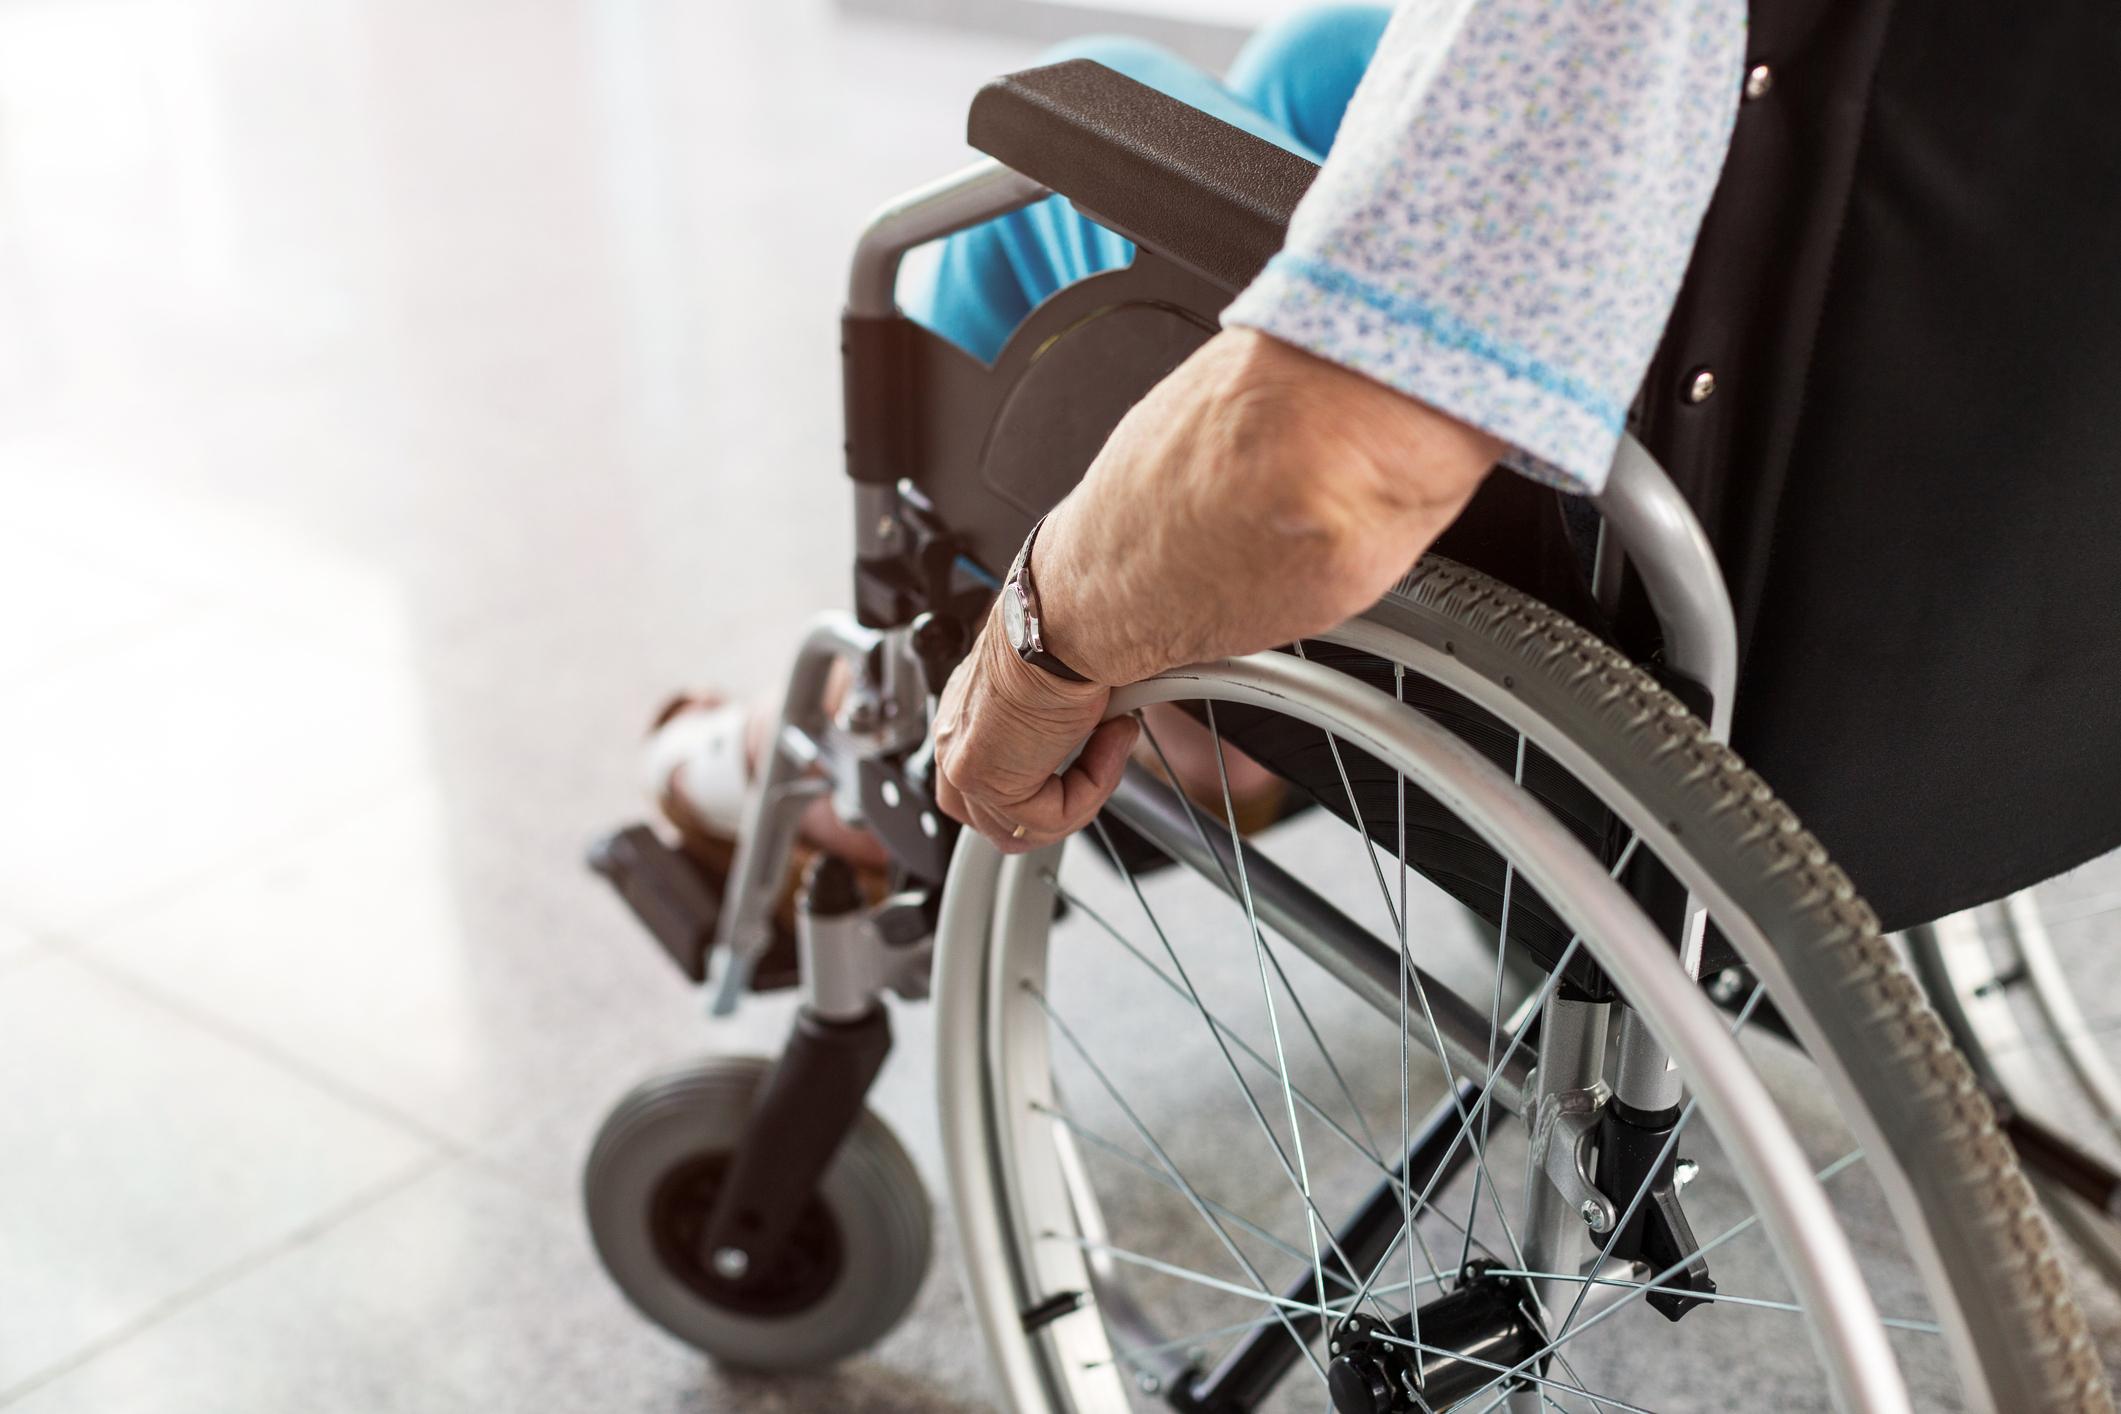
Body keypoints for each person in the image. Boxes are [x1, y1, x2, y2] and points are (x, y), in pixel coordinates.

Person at [652, 1, 1745, 867]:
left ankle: (920, 713)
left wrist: (1045, 641)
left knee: (1099, 106)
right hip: (1797, 465)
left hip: (1635, 567)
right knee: (1321, 70)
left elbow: (1315, 479)